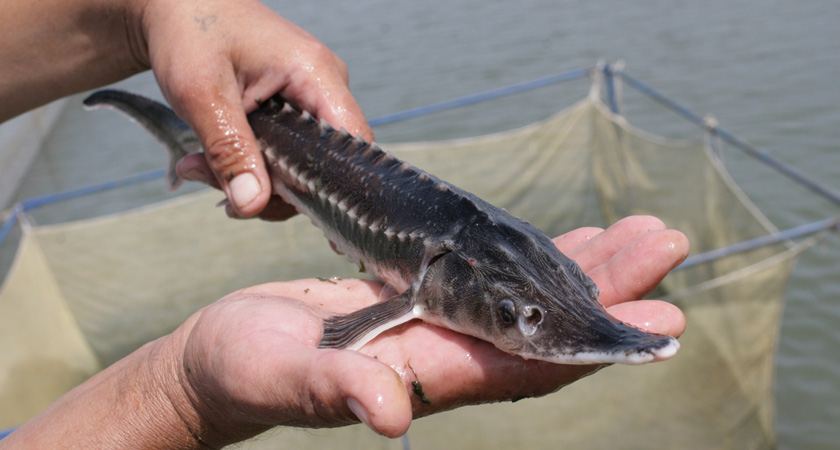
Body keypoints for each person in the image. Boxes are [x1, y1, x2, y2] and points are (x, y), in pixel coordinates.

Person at [0, 0, 689, 448]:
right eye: (515, 317)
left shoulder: (484, 259)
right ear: (433, 283)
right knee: (246, 157)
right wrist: (182, 394)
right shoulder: (422, 288)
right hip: (306, 162)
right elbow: (339, 334)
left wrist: (153, 11)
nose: (523, 326)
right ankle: (198, 139)